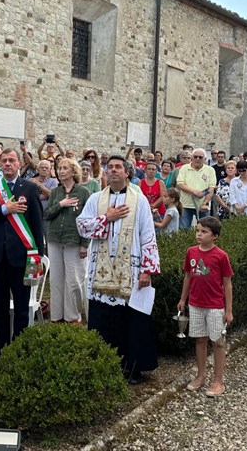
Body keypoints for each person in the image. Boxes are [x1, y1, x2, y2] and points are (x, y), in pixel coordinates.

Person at [76, 155, 160, 385]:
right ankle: (102, 365)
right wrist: (106, 218)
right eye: (110, 167)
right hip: (100, 269)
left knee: (130, 320)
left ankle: (132, 367)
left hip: (130, 271)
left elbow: (147, 234)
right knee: (103, 318)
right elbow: (82, 227)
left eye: (118, 167)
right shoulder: (95, 199)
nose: (113, 170)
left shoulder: (139, 200)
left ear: (127, 173)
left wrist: (147, 269)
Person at [0, 148, 45, 356]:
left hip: (22, 258)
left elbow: (37, 224)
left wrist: (38, 256)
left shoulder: (30, 189)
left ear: (18, 165)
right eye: (4, 160)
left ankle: (20, 351)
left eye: (11, 160)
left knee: (22, 308)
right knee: (0, 307)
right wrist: (5, 209)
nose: (6, 163)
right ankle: (2, 351)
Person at [177, 217, 233, 397]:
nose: (199, 234)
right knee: (199, 340)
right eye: (198, 231)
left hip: (215, 306)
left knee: (218, 342)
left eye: (204, 232)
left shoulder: (221, 256)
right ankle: (201, 375)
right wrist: (183, 299)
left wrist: (229, 309)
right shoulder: (190, 252)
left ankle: (218, 380)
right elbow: (187, 276)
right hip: (195, 304)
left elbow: (227, 283)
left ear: (215, 236)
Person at [44, 158, 90, 324]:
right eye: (59, 168)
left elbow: (88, 220)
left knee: (74, 280)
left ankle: (72, 317)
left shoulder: (83, 192)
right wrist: (61, 204)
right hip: (55, 239)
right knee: (56, 279)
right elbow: (47, 214)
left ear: (73, 171)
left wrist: (85, 244)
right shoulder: (56, 192)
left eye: (65, 168)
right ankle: (57, 316)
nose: (61, 171)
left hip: (74, 240)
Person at [176, 148, 217, 229]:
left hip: (203, 206)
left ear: (205, 159)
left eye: (200, 157)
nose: (197, 159)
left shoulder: (210, 170)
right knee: (184, 230)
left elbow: (211, 188)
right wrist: (193, 191)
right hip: (186, 205)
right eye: (195, 157)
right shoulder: (184, 168)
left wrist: (205, 203)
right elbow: (180, 184)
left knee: (204, 229)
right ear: (192, 158)